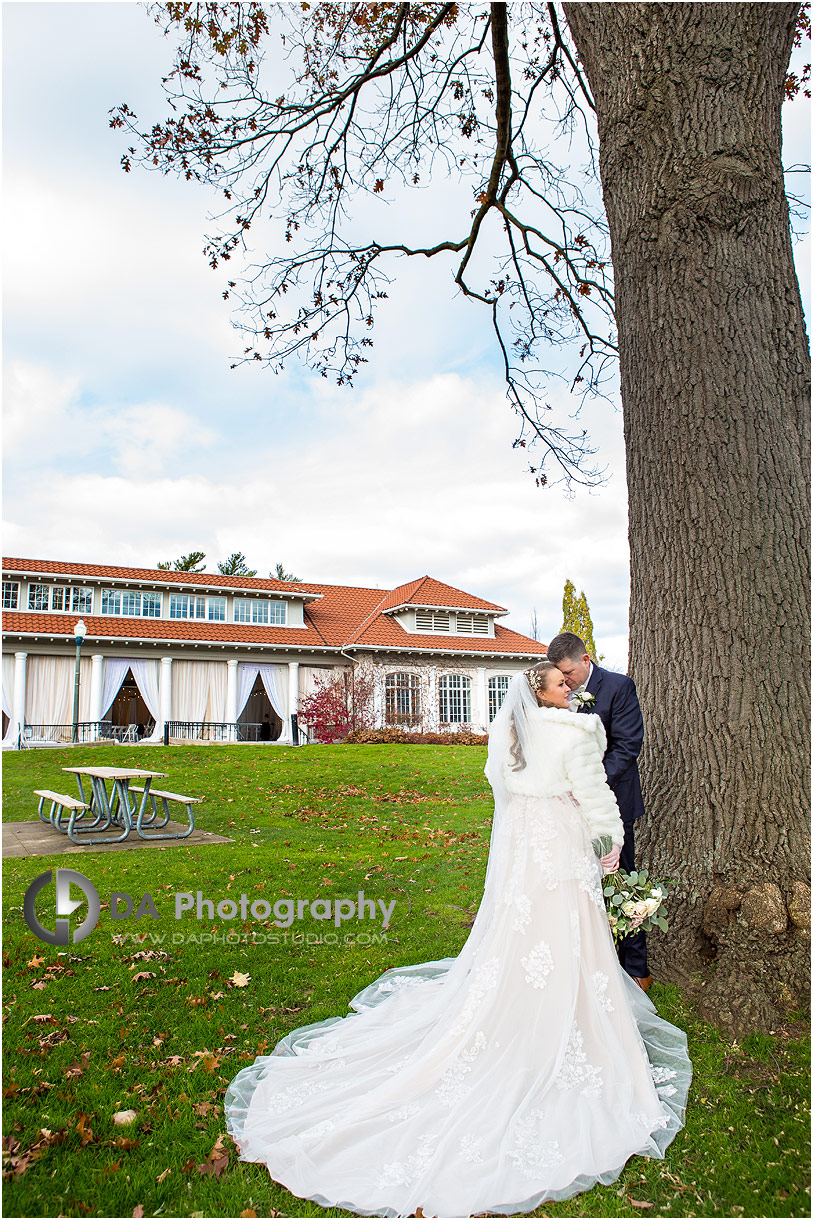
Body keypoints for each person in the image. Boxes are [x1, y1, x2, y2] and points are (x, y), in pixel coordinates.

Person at [224, 664, 691, 1218]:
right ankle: (567, 1022)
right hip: (560, 849)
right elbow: (595, 794)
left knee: (524, 937)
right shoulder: (577, 732)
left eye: (571, 684)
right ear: (541, 691)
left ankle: (524, 1010)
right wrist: (609, 843)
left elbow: (506, 789)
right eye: (561, 685)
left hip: (524, 851)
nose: (571, 691)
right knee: (565, 935)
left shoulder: (514, 732)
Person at [546, 632, 651, 990]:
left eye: (570, 673)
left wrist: (588, 784)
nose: (568, 682)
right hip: (566, 810)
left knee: (620, 878)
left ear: (585, 659)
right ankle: (589, 960)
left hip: (611, 804)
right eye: (561, 676)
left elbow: (627, 744)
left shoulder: (618, 687)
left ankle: (636, 966)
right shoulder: (553, 691)